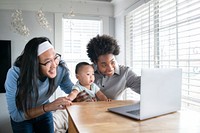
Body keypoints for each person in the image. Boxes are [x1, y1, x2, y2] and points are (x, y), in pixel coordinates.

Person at [5, 37, 74, 133]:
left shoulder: (61, 70)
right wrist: (48, 107)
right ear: (34, 64)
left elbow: (72, 89)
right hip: (23, 118)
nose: (54, 65)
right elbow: (16, 116)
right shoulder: (15, 74)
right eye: (47, 61)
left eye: (55, 58)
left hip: (44, 115)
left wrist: (82, 92)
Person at [74, 34, 141, 102]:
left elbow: (144, 88)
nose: (110, 68)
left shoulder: (125, 72)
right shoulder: (88, 71)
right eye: (104, 65)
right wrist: (78, 99)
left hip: (115, 110)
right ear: (95, 62)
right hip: (91, 111)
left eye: (112, 62)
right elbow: (76, 93)